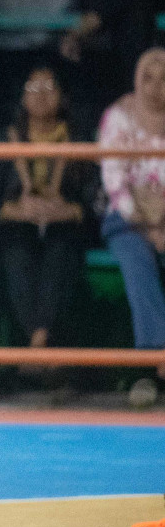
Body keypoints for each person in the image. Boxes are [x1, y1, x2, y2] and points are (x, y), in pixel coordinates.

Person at [0, 65, 92, 367]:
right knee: (16, 249)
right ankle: (40, 339)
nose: (41, 95)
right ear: (22, 97)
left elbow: (95, 194)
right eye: (33, 87)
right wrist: (15, 209)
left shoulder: (79, 137)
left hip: (64, 224)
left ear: (62, 96)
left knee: (61, 248)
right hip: (20, 222)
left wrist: (71, 210)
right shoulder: (7, 138)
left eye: (49, 86)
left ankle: (37, 341)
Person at [97, 47, 165, 407]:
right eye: (148, 77)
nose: (156, 87)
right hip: (128, 220)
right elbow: (114, 180)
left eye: (164, 78)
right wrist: (149, 226)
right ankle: (147, 367)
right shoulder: (118, 117)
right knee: (139, 263)